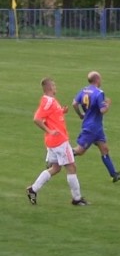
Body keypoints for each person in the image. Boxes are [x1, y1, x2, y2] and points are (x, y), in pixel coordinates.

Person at [26, 77, 89, 206]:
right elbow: (37, 119)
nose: (56, 87)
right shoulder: (49, 101)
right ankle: (77, 199)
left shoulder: (48, 100)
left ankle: (33, 189)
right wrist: (49, 131)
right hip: (59, 141)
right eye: (54, 86)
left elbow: (49, 116)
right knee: (71, 167)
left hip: (52, 142)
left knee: (55, 168)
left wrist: (61, 112)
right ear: (50, 88)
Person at [72, 71, 120, 183]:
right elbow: (102, 110)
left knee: (104, 149)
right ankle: (55, 159)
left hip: (97, 128)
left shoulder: (84, 90)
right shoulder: (99, 93)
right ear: (97, 79)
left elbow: (74, 103)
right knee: (80, 151)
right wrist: (108, 105)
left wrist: (80, 114)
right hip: (92, 128)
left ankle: (114, 174)